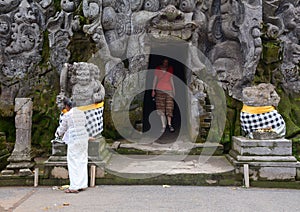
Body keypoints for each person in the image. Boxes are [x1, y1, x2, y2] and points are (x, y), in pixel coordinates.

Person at [55, 98, 89, 193]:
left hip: (74, 138)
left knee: (73, 161)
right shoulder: (82, 113)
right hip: (83, 137)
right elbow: (85, 124)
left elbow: (62, 128)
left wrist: (57, 134)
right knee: (82, 160)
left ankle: (74, 186)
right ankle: (82, 184)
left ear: (67, 106)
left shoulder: (68, 115)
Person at [151, 58, 175, 133]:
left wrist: (174, 90)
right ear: (162, 62)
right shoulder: (158, 69)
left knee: (169, 107)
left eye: (167, 62)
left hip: (169, 90)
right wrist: (153, 90)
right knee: (161, 108)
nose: (165, 63)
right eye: (164, 62)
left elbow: (171, 79)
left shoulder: (170, 68)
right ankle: (163, 126)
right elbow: (155, 79)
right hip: (159, 90)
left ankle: (170, 125)